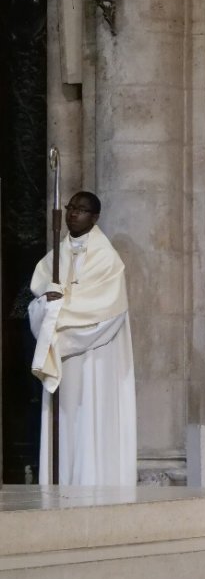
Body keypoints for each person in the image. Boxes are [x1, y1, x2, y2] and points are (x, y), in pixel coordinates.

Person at [28, 191, 137, 485]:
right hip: (65, 360)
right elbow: (35, 305)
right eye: (71, 208)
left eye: (81, 210)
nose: (73, 214)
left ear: (95, 217)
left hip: (96, 358)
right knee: (66, 422)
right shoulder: (54, 257)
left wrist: (59, 313)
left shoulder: (107, 259)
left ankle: (95, 483)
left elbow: (107, 313)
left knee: (92, 419)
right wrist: (46, 307)